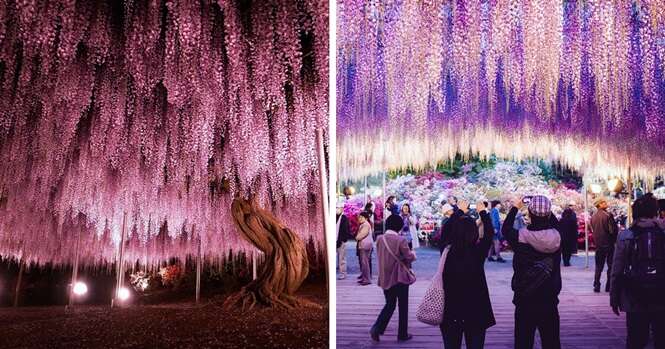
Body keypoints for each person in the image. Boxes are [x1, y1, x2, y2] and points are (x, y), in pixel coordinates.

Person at [502, 195, 562, 349]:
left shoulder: (520, 236)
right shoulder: (557, 236)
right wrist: (547, 210)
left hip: (525, 297)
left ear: (530, 213)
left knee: (523, 341)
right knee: (551, 342)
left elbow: (506, 228)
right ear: (549, 214)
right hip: (549, 298)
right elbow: (554, 222)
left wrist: (516, 206)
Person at [610, 194, 665, 349]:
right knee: (661, 338)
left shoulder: (626, 235)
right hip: (662, 294)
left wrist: (614, 297)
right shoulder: (663, 233)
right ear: (656, 211)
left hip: (634, 296)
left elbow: (617, 270)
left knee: (635, 339)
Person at [440, 200, 496, 349]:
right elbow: (490, 232)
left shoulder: (447, 251)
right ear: (474, 232)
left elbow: (445, 230)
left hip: (451, 310)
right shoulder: (478, 253)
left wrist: (459, 211)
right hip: (476, 310)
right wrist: (482, 212)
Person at [370, 214, 416, 342]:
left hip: (385, 277)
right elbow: (409, 257)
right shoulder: (401, 240)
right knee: (403, 306)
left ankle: (377, 329)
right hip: (400, 277)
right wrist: (413, 254)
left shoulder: (379, 239)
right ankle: (402, 334)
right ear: (399, 226)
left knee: (389, 305)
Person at [590, 197, 618, 292]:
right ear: (600, 204)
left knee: (599, 266)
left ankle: (596, 284)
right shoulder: (608, 215)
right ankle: (608, 285)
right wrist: (615, 239)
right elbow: (612, 230)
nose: (606, 203)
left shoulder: (593, 216)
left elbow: (592, 229)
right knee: (611, 266)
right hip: (608, 244)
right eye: (604, 202)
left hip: (598, 244)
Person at [356, 212, 374, 285]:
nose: (359, 219)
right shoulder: (364, 224)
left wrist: (356, 237)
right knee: (364, 263)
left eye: (361, 217)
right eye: (359, 217)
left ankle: (366, 280)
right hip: (365, 245)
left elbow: (361, 235)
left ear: (366, 218)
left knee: (365, 263)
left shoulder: (365, 225)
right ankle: (364, 278)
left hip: (365, 245)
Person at [336, 201, 353, 280]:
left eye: (337, 208)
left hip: (341, 241)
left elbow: (346, 230)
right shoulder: (334, 217)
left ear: (342, 209)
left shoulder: (344, 218)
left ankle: (343, 273)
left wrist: (343, 240)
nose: (336, 209)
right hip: (335, 240)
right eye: (336, 208)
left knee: (342, 258)